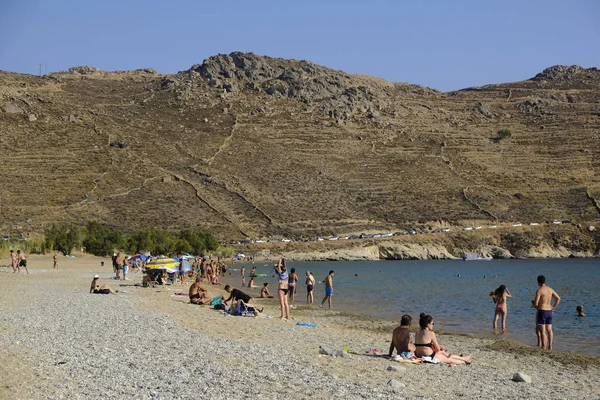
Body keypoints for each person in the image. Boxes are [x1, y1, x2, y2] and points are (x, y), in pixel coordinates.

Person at [533, 275, 561, 350]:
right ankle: (550, 346)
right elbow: (558, 299)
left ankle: (544, 346)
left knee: (542, 330)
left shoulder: (539, 290)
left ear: (538, 282)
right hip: (549, 311)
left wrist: (534, 305)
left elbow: (536, 304)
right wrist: (553, 307)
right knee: (549, 330)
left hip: (542, 311)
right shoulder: (550, 289)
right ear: (544, 281)